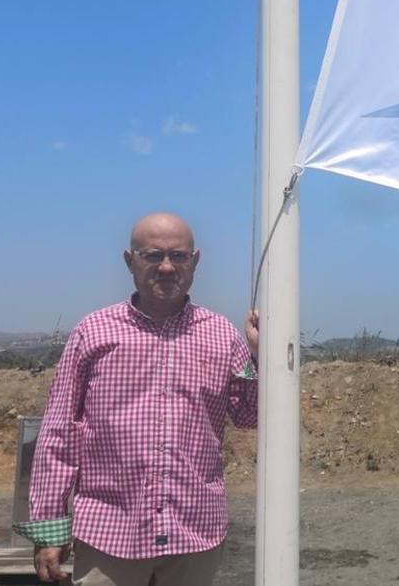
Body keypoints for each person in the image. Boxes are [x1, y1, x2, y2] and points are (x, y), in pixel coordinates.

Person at [14, 212, 259, 585]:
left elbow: (249, 416)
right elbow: (57, 434)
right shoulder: (92, 333)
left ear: (195, 262)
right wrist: (49, 531)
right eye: (152, 256)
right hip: (109, 537)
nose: (165, 267)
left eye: (177, 256)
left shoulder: (222, 336)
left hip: (193, 536)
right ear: (130, 261)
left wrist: (262, 357)